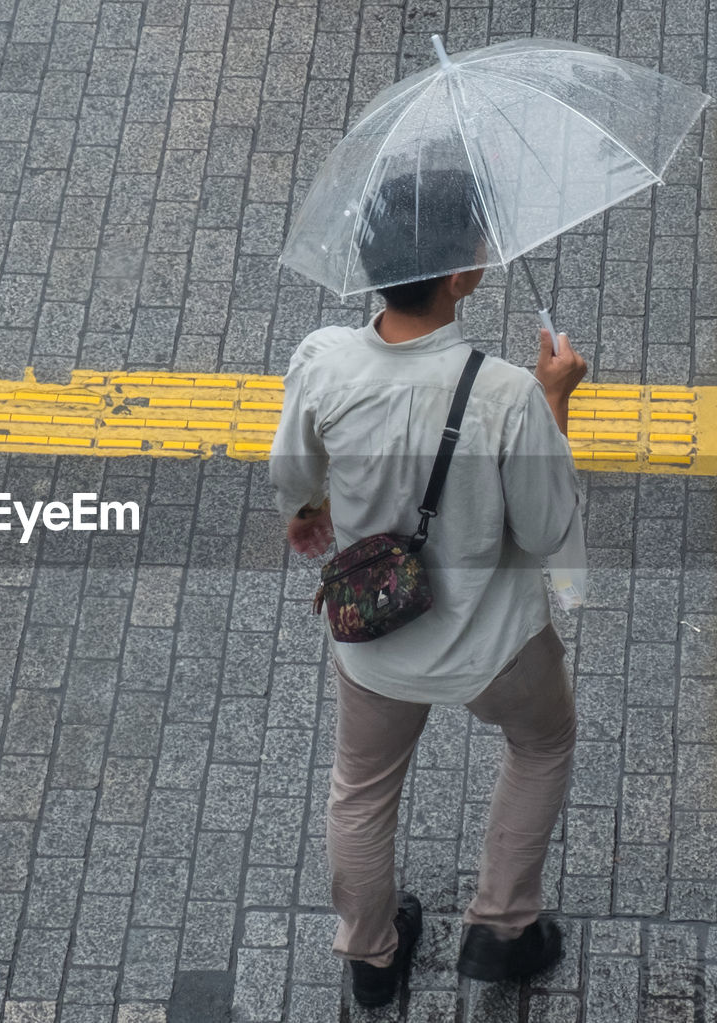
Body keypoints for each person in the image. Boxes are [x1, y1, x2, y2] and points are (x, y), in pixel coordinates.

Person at [268, 170, 589, 1008]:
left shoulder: (325, 361)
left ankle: (372, 958)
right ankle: (502, 928)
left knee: (362, 789)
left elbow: (295, 471)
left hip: (376, 642)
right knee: (543, 744)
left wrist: (309, 510)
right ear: (460, 277)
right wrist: (555, 400)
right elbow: (548, 525)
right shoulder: (508, 395)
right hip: (498, 644)